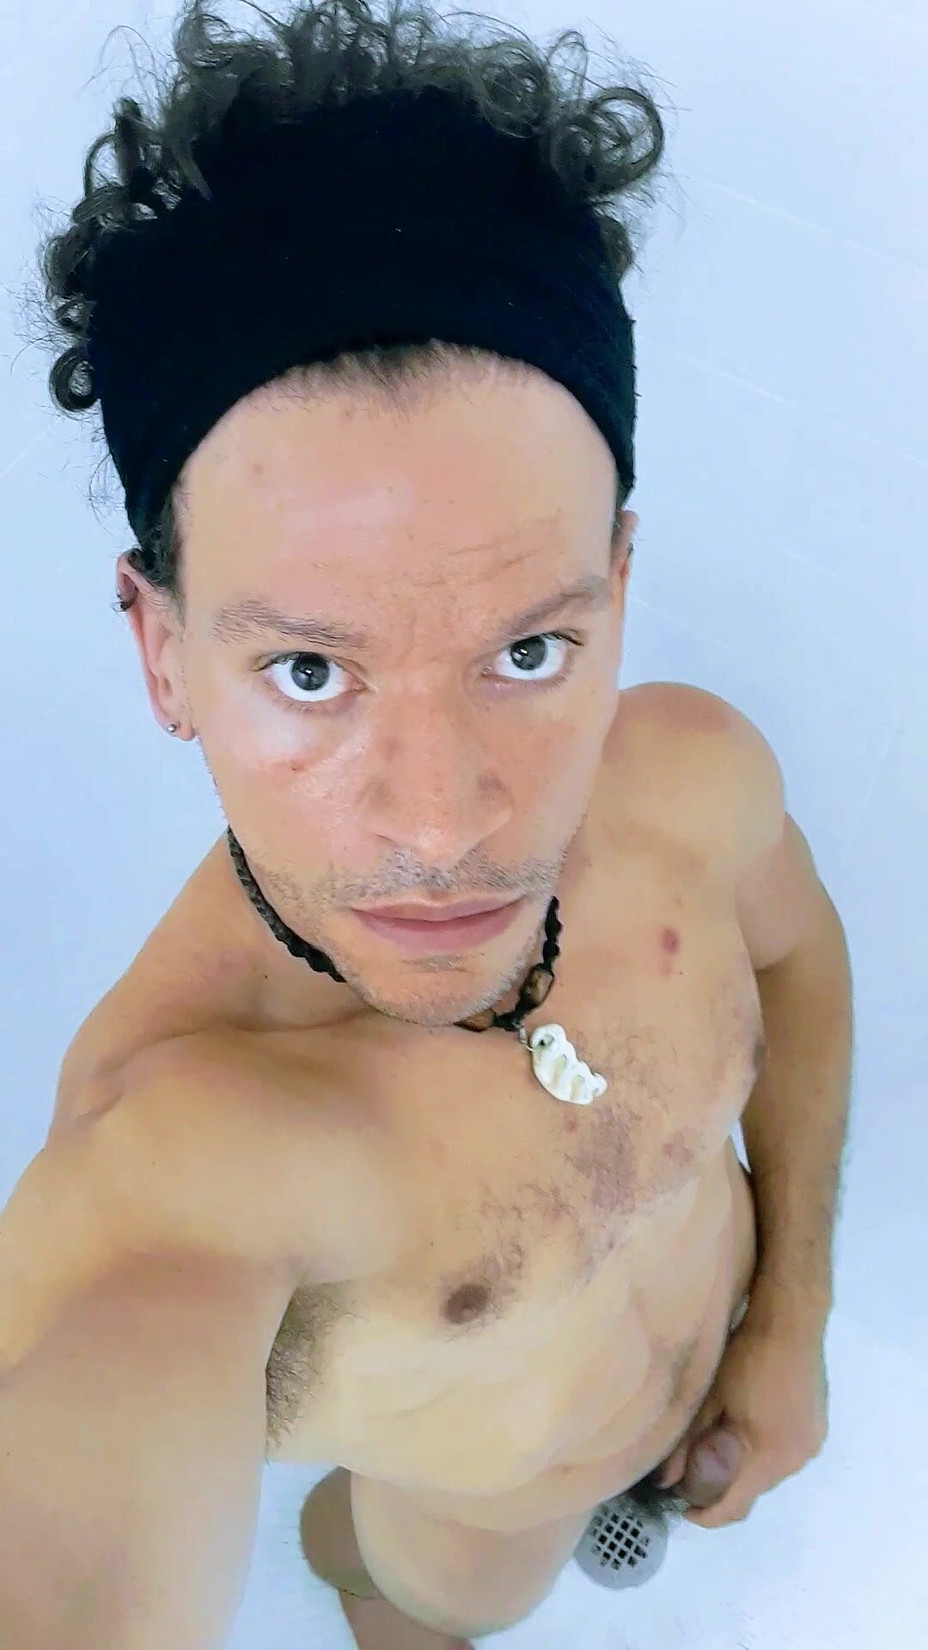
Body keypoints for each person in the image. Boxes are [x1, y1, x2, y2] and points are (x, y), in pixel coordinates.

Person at [1, 4, 846, 1648]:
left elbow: (802, 965)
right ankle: (354, 1562)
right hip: (478, 1532)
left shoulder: (689, 776)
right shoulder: (179, 1159)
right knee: (412, 1593)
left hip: (722, 1343)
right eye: (311, 672)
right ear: (162, 652)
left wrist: (789, 1317)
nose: (446, 824)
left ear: (617, 584)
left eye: (528, 652)